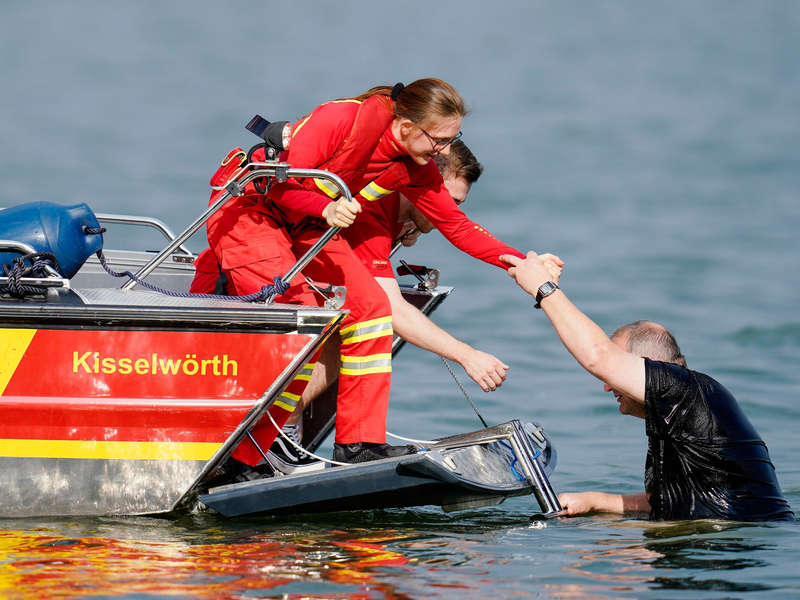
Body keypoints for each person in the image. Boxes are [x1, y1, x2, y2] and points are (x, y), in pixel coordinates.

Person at [195, 79, 563, 467]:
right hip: (253, 208)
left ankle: (358, 444)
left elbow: (459, 227)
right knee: (300, 315)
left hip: (309, 223)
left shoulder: (416, 169)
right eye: (439, 140)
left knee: (372, 312)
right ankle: (241, 456)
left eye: (452, 139)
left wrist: (521, 263)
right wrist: (324, 210)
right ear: (407, 128)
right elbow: (275, 183)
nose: (444, 151)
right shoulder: (341, 120)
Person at [268, 141, 519, 473]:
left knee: (350, 324)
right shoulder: (372, 213)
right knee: (369, 319)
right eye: (448, 200)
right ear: (421, 186)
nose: (451, 211)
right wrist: (468, 356)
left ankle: (285, 430)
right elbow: (393, 310)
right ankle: (280, 433)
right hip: (269, 268)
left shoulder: (396, 215)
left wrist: (523, 260)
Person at [500, 251, 794, 522]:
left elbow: (598, 357)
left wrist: (542, 287)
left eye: (617, 374)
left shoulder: (686, 389)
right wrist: (593, 500)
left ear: (652, 366)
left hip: (737, 545)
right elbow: (669, 500)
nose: (607, 386)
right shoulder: (682, 412)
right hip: (719, 543)